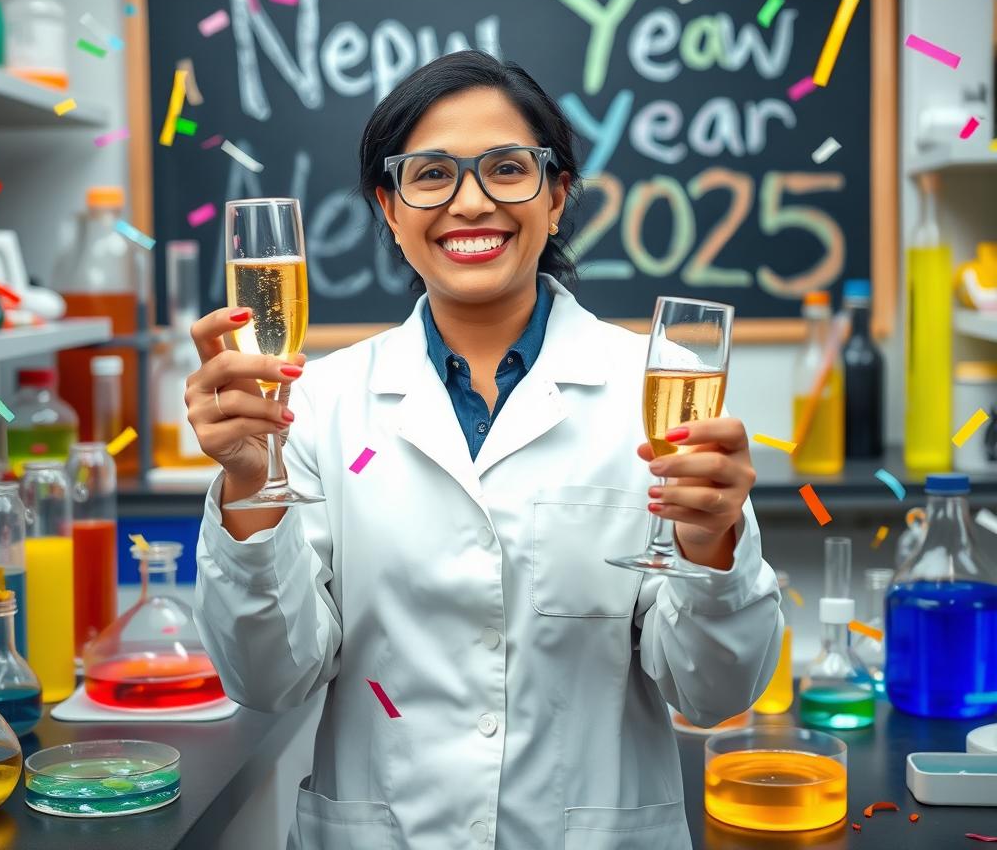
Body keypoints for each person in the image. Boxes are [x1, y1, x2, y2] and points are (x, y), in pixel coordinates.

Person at [188, 51, 782, 850]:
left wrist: (712, 548)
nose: (471, 202)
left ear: (558, 197)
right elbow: (268, 680)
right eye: (430, 175)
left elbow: (711, 695)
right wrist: (251, 488)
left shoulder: (659, 396)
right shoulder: (321, 404)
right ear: (390, 209)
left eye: (508, 168)